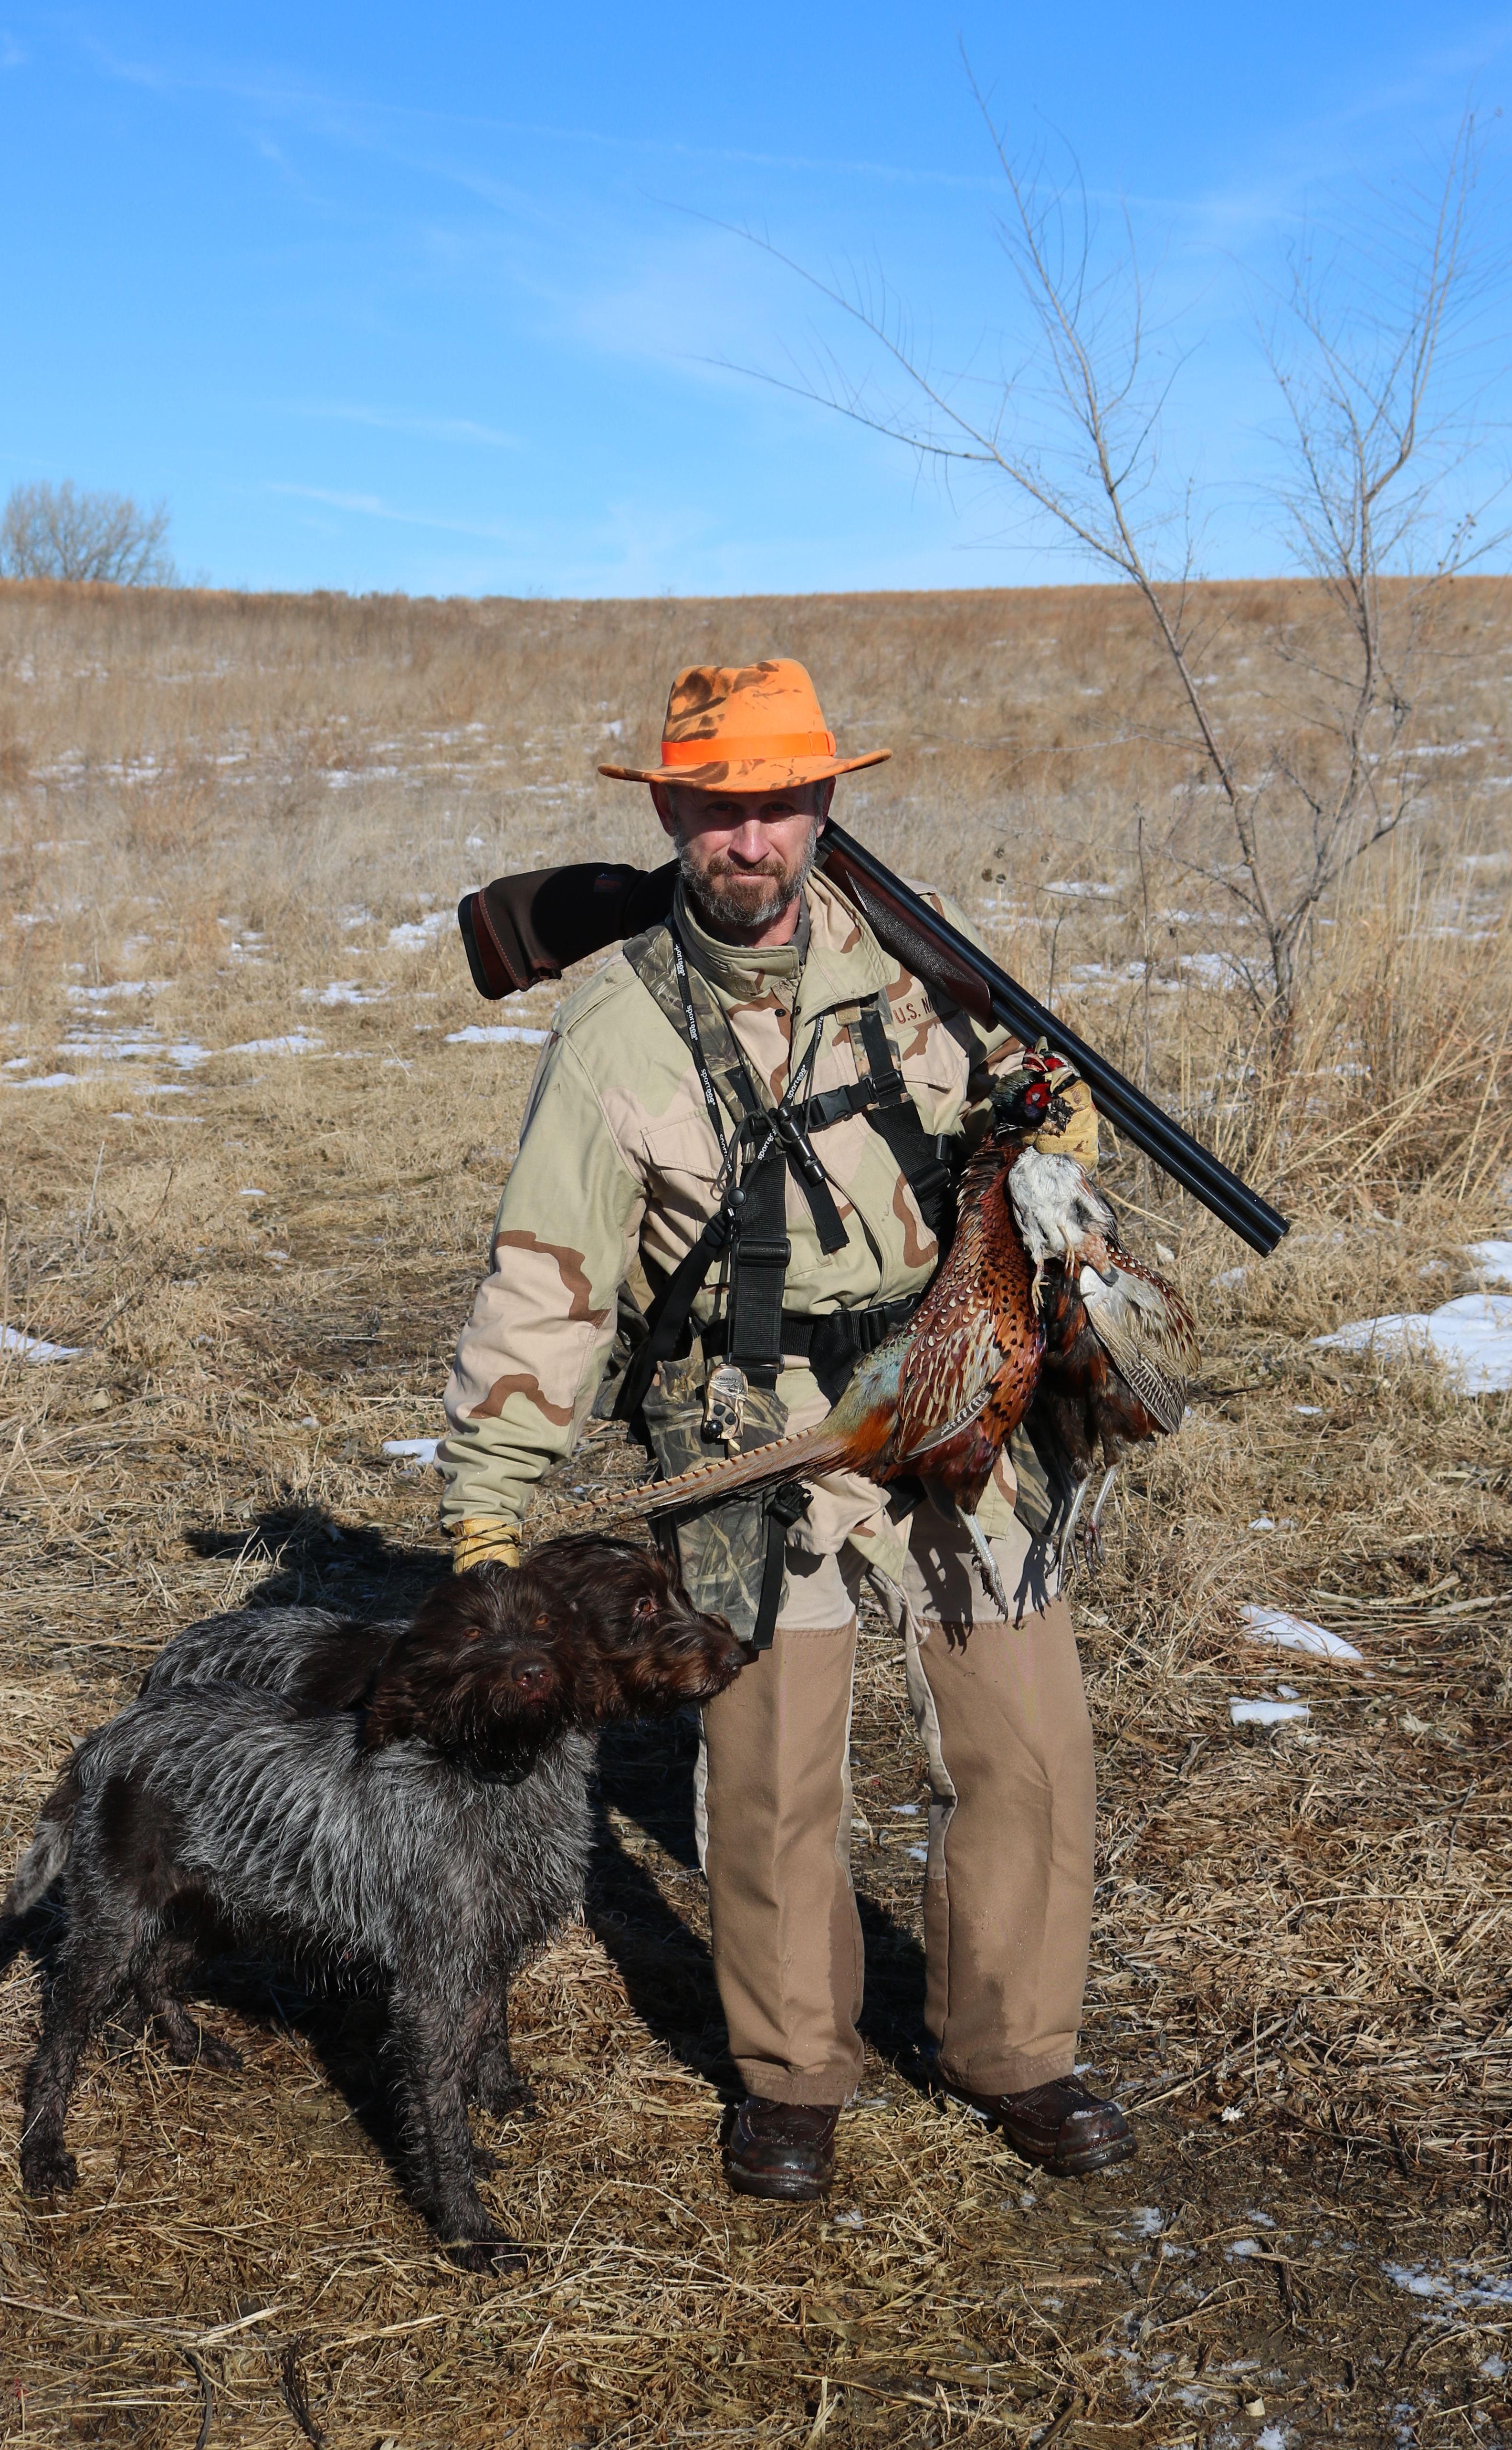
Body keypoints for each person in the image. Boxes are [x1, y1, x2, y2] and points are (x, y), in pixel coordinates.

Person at [438, 659, 1134, 2200]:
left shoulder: (924, 974)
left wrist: (1047, 1133)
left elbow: (1001, 1148)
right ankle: (792, 2074)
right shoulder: (614, 1026)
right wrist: (491, 1504)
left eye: (781, 807)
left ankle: (1015, 2052)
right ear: (672, 814)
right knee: (765, 1777)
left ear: (826, 805)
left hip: (950, 1393)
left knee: (1030, 1743)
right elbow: (548, 1278)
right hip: (750, 1427)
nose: (750, 844)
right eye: (717, 812)